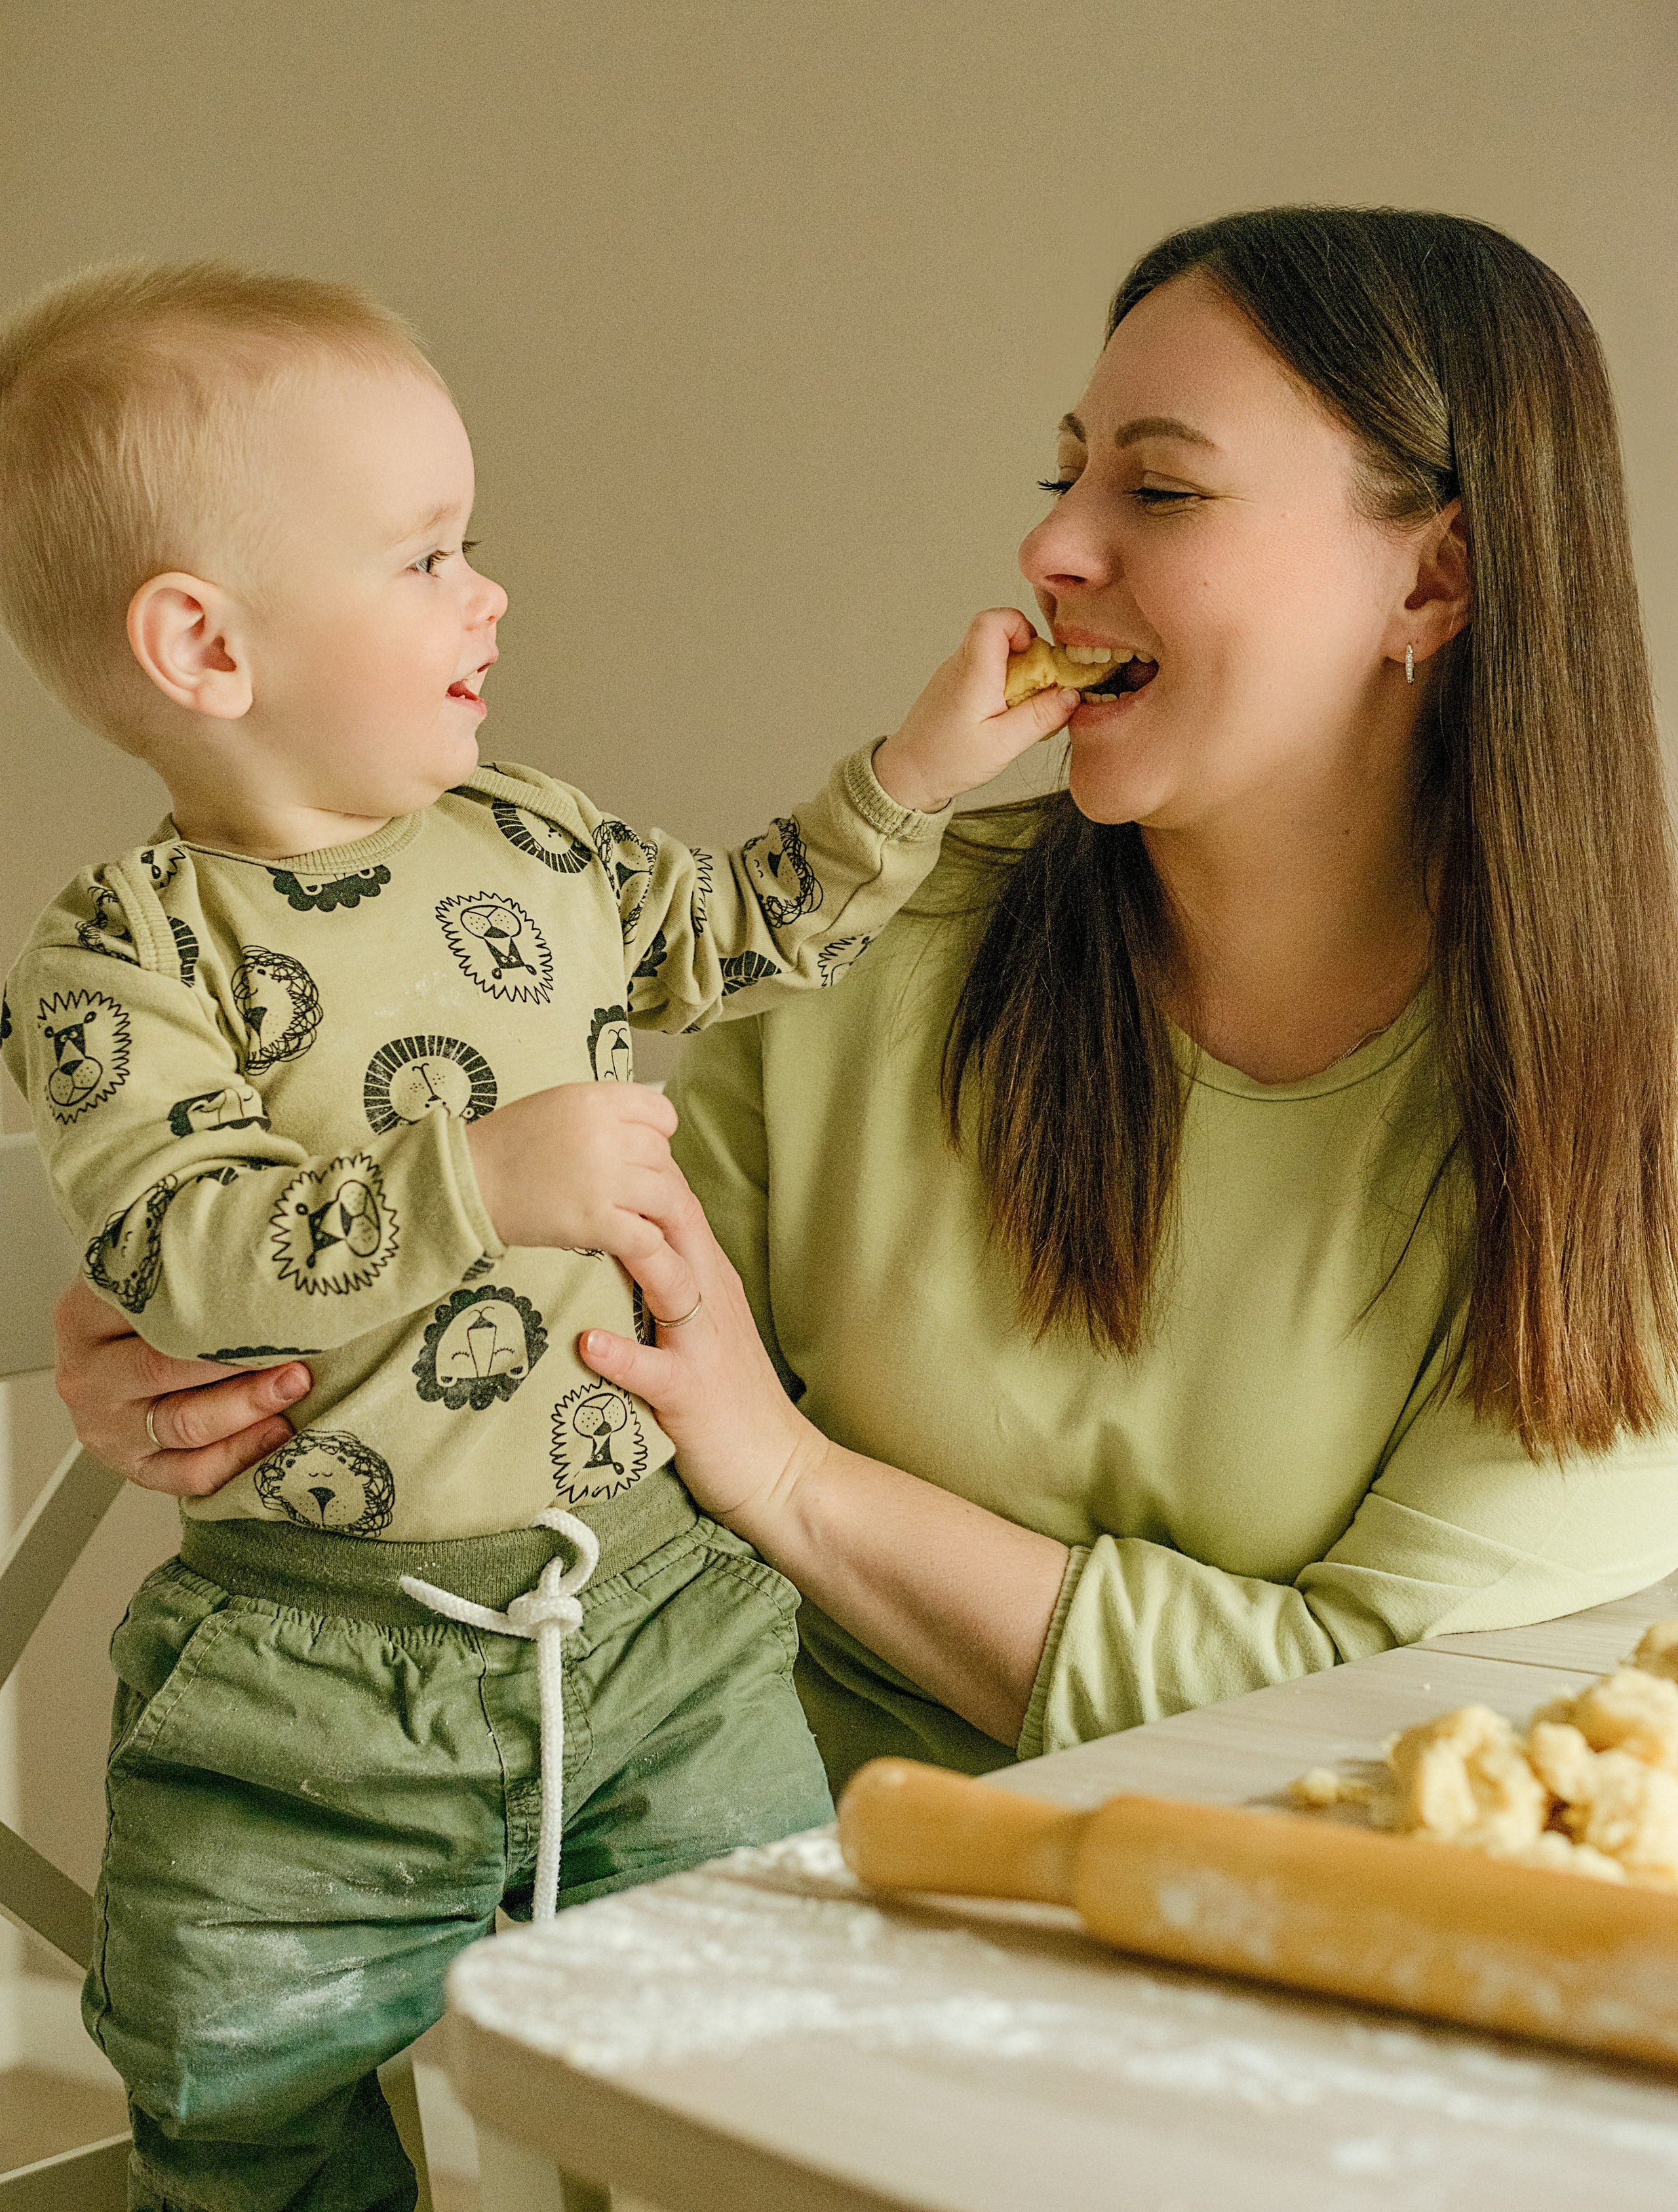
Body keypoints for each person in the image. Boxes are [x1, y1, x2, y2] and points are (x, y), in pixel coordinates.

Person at [57, 208, 1678, 1804]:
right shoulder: (875, 943)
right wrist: (196, 1326)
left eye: (1160, 489)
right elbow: (562, 1351)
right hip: (728, 1896)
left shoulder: (1627, 1116)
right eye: (1062, 477)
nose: (1051, 549)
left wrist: (794, 1481)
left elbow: (1387, 1722)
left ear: (1431, 582)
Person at [0, 256, 1076, 2212]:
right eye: (426, 555)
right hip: (306, 1679)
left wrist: (916, 771)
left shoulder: (534, 835)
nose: (488, 592)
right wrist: (482, 1180)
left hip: (655, 1621)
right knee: (236, 2108)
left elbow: (737, 928)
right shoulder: (121, 958)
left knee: (786, 2068)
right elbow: (178, 1249)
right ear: (204, 644)